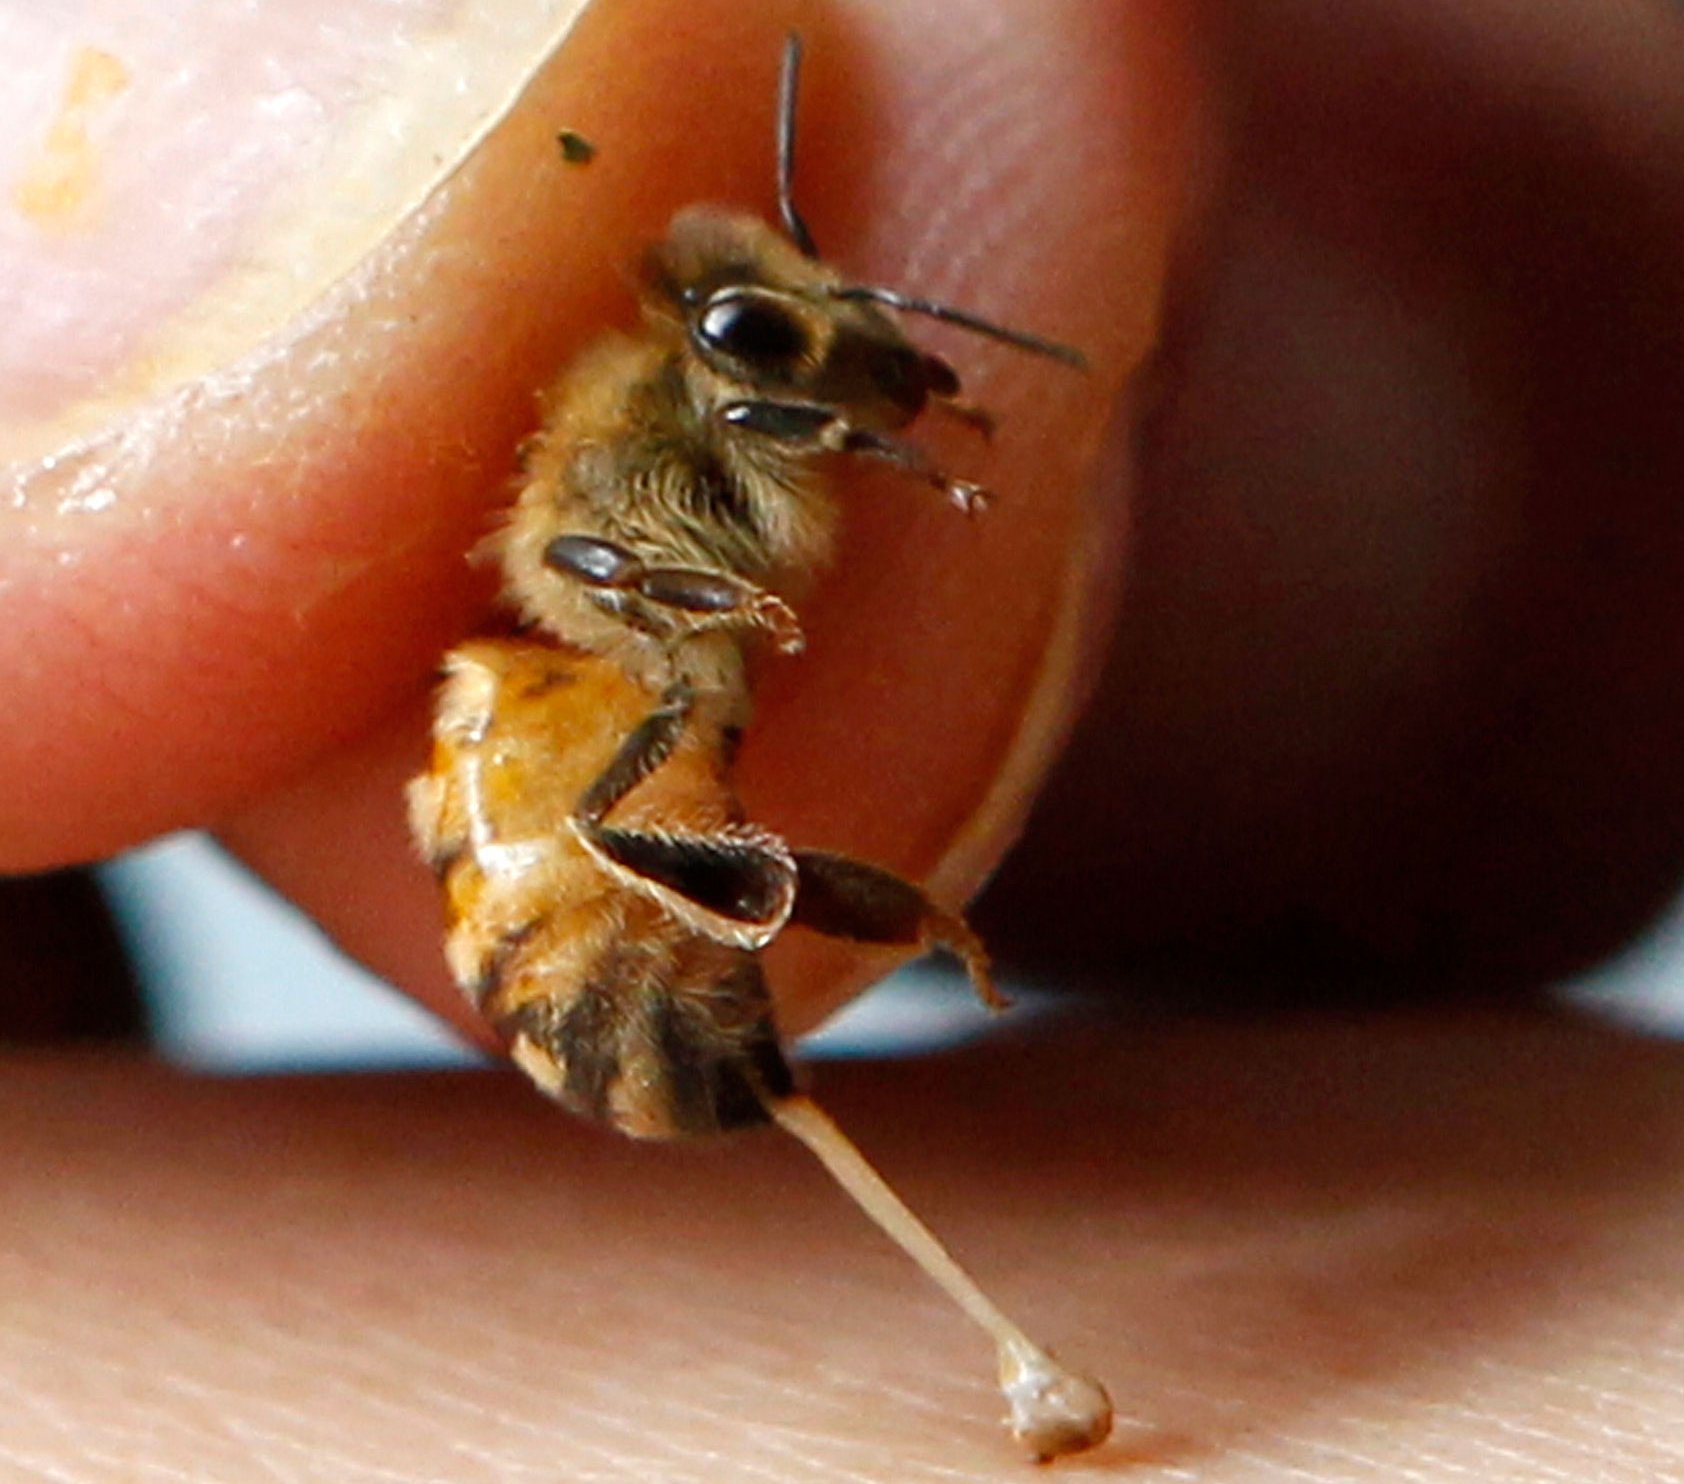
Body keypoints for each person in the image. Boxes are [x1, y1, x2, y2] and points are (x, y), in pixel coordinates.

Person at [3, 0, 1683, 1475]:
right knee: (701, 927)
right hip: (558, 774)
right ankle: (854, 965)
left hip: (597, 757)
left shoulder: (756, 446)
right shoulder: (644, 442)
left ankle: (886, 968)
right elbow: (580, 540)